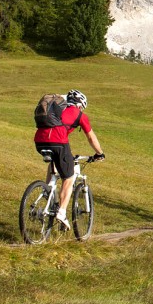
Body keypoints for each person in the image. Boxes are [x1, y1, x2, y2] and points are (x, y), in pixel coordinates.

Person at [34, 89, 105, 230]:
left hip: (39, 140)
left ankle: (48, 191)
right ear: (80, 105)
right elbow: (91, 137)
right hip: (58, 141)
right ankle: (61, 212)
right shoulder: (79, 114)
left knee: (56, 163)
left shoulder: (58, 109)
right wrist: (100, 153)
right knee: (69, 175)